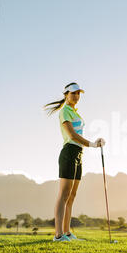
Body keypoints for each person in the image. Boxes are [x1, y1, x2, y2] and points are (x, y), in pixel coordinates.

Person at [43, 82, 105, 242]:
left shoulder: (75, 112)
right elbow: (72, 135)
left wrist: (94, 142)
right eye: (73, 93)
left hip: (78, 153)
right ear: (66, 95)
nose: (76, 96)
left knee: (72, 195)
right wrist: (92, 144)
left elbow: (79, 135)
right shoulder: (65, 111)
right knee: (63, 195)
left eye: (78, 93)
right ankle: (58, 235)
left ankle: (67, 233)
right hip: (69, 152)